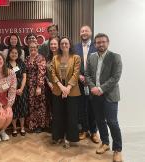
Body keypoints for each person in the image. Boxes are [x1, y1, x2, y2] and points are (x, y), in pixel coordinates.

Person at [85, 33, 123, 162]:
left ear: (108, 42)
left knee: (112, 122)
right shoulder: (91, 57)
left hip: (110, 95)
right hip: (95, 95)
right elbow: (87, 75)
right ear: (95, 44)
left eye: (103, 42)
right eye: (98, 42)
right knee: (100, 120)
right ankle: (105, 143)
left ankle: (117, 150)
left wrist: (100, 89)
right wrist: (93, 88)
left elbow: (115, 78)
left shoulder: (115, 57)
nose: (101, 44)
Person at [50, 37, 81, 148]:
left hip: (71, 91)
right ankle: (58, 137)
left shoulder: (76, 58)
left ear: (70, 44)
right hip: (58, 90)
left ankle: (70, 138)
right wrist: (61, 86)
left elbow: (76, 74)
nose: (64, 45)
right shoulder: (55, 58)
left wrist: (67, 88)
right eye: (62, 43)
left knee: (71, 115)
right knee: (58, 115)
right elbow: (52, 74)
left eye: (66, 43)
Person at [74, 25, 99, 143]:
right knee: (81, 106)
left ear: (91, 32)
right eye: (82, 31)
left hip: (93, 82)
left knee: (93, 107)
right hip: (79, 82)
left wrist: (89, 79)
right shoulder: (75, 47)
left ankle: (94, 131)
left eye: (86, 31)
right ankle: (84, 129)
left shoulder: (97, 46)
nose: (84, 32)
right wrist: (79, 75)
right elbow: (73, 64)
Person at [25, 42, 48, 133]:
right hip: (29, 86)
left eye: (34, 47)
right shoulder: (27, 58)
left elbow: (42, 73)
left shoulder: (41, 58)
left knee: (39, 105)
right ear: (29, 48)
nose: (32, 49)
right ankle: (32, 124)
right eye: (31, 47)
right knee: (31, 105)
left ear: (37, 48)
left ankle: (40, 125)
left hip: (38, 85)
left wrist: (39, 87)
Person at [6, 47, 28, 137]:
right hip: (11, 90)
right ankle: (14, 128)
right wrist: (13, 90)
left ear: (18, 54)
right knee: (13, 109)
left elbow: (24, 77)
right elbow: (5, 79)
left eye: (16, 53)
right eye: (12, 53)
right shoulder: (6, 64)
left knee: (22, 108)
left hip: (22, 90)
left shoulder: (21, 63)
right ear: (9, 53)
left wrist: (21, 89)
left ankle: (22, 128)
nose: (14, 54)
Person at [44, 37, 59, 132]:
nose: (53, 46)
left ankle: (60, 127)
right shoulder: (47, 58)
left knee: (59, 108)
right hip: (49, 87)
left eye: (55, 44)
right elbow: (45, 73)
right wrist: (49, 83)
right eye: (51, 44)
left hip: (60, 87)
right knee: (52, 107)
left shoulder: (62, 57)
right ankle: (54, 127)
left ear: (58, 45)